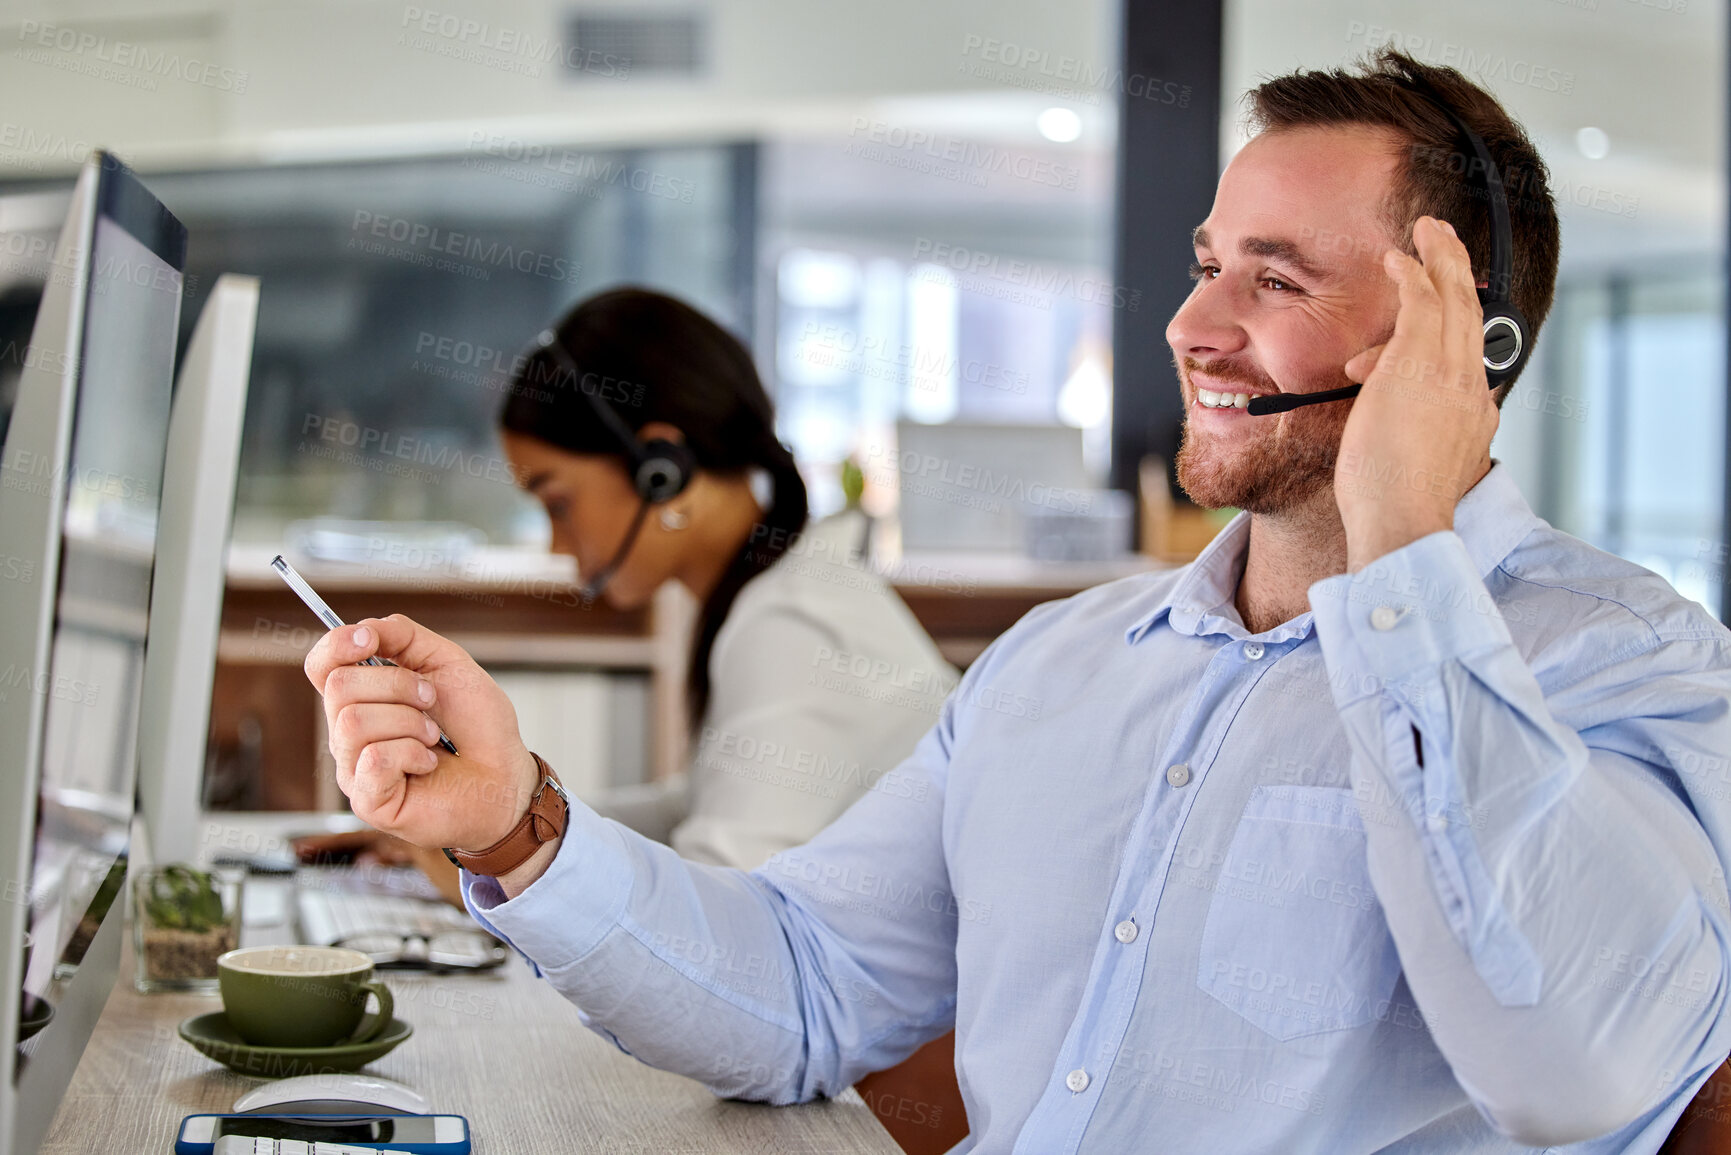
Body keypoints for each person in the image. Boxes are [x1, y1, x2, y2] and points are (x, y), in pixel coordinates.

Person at [304, 50, 1731, 1152]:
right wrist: (516, 824)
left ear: (1459, 339)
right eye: (1201, 266)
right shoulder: (1059, 666)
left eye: (1272, 278)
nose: (1189, 326)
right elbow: (801, 988)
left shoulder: (1627, 665)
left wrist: (1406, 544)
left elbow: (1572, 1069)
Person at [306, 287, 967, 1150]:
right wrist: (504, 814)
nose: (554, 542)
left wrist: (494, 854)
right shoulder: (768, 593)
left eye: (556, 498)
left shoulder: (796, 625)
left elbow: (718, 943)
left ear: (663, 467)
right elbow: (695, 802)